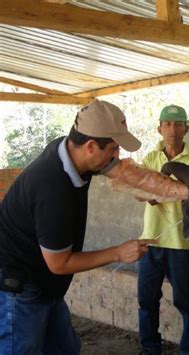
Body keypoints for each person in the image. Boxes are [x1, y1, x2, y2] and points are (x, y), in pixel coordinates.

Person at [0, 99, 155, 354]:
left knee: (65, 349)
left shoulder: (67, 149)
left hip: (45, 284)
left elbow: (114, 168)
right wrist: (118, 253)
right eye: (114, 149)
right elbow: (59, 264)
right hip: (19, 288)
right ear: (91, 146)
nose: (117, 157)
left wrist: (146, 188)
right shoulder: (52, 189)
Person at [137, 105, 189, 355]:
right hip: (150, 240)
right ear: (159, 128)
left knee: (188, 305)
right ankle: (149, 348)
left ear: (186, 129)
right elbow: (140, 189)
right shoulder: (150, 158)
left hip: (182, 243)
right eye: (167, 124)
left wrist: (167, 191)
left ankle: (188, 350)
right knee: (146, 300)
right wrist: (149, 194)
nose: (172, 130)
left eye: (178, 124)